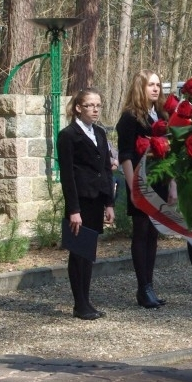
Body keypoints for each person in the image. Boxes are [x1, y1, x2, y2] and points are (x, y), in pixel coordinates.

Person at [57, 87, 115, 320]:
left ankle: (87, 300)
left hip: (97, 200)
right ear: (79, 108)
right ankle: (79, 303)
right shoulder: (69, 135)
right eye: (90, 105)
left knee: (89, 252)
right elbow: (67, 176)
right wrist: (73, 210)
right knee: (78, 251)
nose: (95, 110)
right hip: (80, 201)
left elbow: (106, 169)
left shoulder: (99, 133)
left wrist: (109, 202)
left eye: (98, 105)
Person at [116, 70, 171, 307]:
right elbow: (125, 156)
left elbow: (169, 154)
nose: (156, 88)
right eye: (151, 85)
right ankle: (143, 288)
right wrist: (133, 188)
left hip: (159, 180)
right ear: (141, 87)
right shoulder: (130, 117)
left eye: (158, 84)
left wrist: (172, 187)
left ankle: (150, 286)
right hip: (139, 181)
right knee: (141, 232)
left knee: (153, 234)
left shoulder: (160, 114)